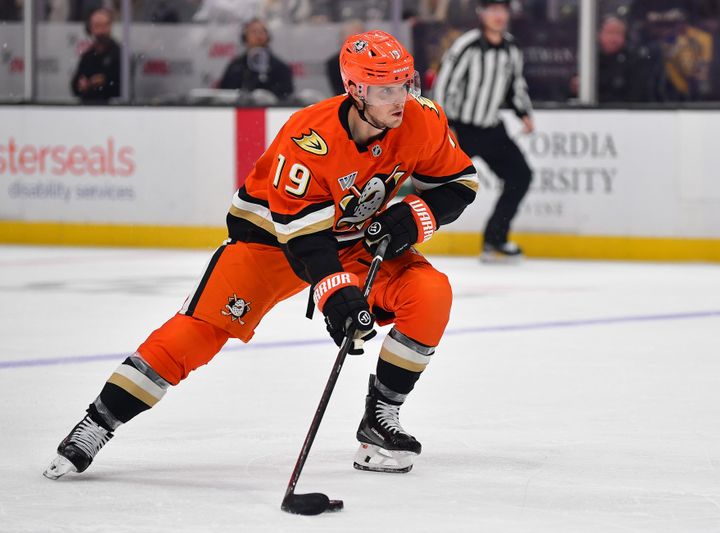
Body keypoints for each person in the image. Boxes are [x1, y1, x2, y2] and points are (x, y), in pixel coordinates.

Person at [44, 30, 479, 480]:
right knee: (197, 334)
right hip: (270, 242)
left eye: (405, 84)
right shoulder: (309, 137)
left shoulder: (421, 119)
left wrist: (417, 215)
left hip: (352, 242)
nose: (400, 98)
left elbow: (460, 183)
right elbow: (304, 238)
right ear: (355, 90)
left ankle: (380, 419)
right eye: (385, 89)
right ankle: (97, 423)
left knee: (429, 293)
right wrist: (336, 294)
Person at [433, 0, 533, 263]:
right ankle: (409, 237)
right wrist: (446, 126)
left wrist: (524, 113)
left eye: (502, 9)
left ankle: (494, 240)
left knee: (520, 176)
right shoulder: (467, 45)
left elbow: (515, 85)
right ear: (482, 13)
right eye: (492, 9)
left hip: (491, 128)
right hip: (461, 130)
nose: (498, 15)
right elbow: (444, 85)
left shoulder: (512, 48)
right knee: (436, 184)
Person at [218, 18, 294, 102]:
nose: (258, 36)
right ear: (245, 37)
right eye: (253, 32)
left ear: (268, 36)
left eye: (262, 32)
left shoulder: (280, 67)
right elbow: (225, 93)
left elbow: (287, 94)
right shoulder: (236, 66)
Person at [70, 8, 121, 104]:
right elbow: (75, 85)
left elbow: (122, 87)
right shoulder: (88, 56)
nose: (100, 30)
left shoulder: (119, 54)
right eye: (97, 25)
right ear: (90, 28)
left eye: (104, 25)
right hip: (88, 106)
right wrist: (81, 85)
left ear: (110, 27)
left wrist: (104, 82)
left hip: (112, 108)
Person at [325, 19, 365, 96]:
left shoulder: (375, 61)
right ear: (342, 39)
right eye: (351, 37)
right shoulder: (334, 63)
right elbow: (340, 92)